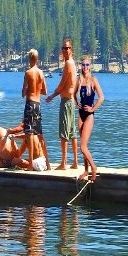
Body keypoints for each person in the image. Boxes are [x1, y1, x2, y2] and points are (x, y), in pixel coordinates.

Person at [45, 37, 79, 170]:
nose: (65, 50)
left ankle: (64, 163)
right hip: (70, 101)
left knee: (65, 132)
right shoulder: (72, 63)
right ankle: (75, 162)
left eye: (68, 48)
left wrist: (52, 96)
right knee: (72, 132)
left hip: (66, 102)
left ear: (71, 50)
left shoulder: (69, 64)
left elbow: (62, 84)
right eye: (64, 48)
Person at [76, 56, 104, 181]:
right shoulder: (79, 80)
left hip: (89, 116)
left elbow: (101, 97)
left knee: (83, 146)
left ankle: (93, 168)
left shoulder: (93, 80)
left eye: (87, 65)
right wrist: (76, 102)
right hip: (81, 114)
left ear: (90, 66)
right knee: (83, 145)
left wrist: (93, 109)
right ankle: (86, 170)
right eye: (83, 65)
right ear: (81, 66)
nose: (85, 67)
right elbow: (73, 94)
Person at [22, 48, 48, 168]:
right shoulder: (41, 73)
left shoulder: (28, 73)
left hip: (29, 103)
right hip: (38, 104)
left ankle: (31, 165)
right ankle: (47, 164)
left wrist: (28, 91)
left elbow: (23, 92)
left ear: (29, 59)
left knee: (29, 134)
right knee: (40, 134)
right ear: (37, 59)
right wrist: (37, 90)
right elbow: (45, 91)